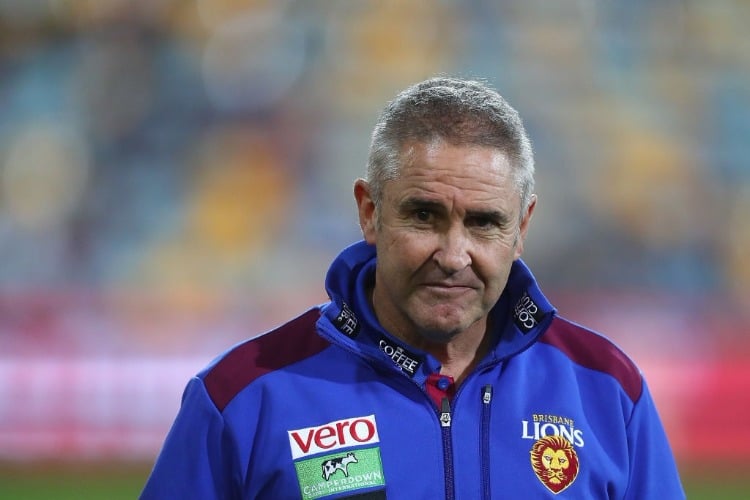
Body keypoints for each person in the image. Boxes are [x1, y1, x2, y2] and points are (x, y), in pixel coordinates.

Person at [140, 77, 685, 499]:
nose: (452, 255)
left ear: (522, 228)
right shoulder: (243, 396)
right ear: (369, 212)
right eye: (424, 216)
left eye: (484, 222)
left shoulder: (607, 390)